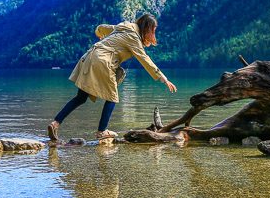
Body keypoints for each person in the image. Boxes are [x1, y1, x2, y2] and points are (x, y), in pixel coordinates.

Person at [48, 14, 177, 141]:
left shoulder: (124, 26)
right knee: (112, 97)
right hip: (103, 61)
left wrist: (98, 32)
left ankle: (55, 124)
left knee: (80, 98)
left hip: (89, 57)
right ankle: (102, 131)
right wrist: (163, 78)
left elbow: (103, 27)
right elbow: (145, 59)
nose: (153, 33)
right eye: (153, 30)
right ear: (147, 28)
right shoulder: (134, 38)